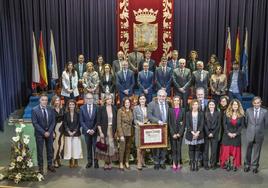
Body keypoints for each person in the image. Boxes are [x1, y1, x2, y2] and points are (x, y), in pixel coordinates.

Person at [31, 94, 56, 174]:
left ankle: (49, 165)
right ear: (39, 100)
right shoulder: (34, 110)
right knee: (40, 151)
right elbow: (35, 123)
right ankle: (40, 167)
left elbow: (53, 121)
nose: (44, 102)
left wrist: (49, 131)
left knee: (50, 150)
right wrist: (44, 132)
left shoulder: (50, 109)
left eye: (46, 100)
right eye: (43, 100)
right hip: (39, 134)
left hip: (49, 133)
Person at [244, 96, 268, 173]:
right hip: (250, 134)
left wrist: (260, 130)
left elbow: (266, 123)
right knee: (248, 150)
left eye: (258, 103)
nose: (256, 104)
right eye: (255, 103)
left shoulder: (265, 112)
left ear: (261, 103)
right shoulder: (248, 110)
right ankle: (247, 165)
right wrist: (250, 129)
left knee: (257, 151)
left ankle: (255, 166)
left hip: (259, 134)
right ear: (252, 103)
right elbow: (246, 122)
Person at [220, 99, 244, 171]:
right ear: (231, 105)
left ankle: (234, 164)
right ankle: (228, 163)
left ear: (238, 106)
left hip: (236, 136)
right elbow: (224, 124)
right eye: (234, 104)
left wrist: (236, 134)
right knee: (227, 151)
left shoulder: (241, 115)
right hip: (227, 136)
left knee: (234, 151)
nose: (235, 106)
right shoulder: (226, 113)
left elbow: (241, 126)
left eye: (237, 104)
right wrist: (228, 133)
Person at [96, 94, 118, 170]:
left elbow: (116, 121)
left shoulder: (115, 108)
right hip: (104, 130)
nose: (109, 100)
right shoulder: (101, 108)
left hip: (112, 130)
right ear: (105, 100)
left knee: (111, 147)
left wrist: (116, 132)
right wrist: (100, 132)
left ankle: (110, 162)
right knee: (105, 147)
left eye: (110, 99)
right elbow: (98, 122)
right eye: (108, 99)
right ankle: (106, 162)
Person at [148, 89, 169, 170]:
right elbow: (149, 116)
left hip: (165, 128)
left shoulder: (167, 104)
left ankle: (162, 162)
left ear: (165, 97)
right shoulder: (151, 104)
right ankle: (156, 162)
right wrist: (157, 121)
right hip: (156, 128)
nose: (161, 97)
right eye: (160, 96)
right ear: (157, 96)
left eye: (163, 96)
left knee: (164, 146)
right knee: (155, 146)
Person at [80, 93, 99, 168]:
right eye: (88, 98)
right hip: (86, 131)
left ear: (93, 99)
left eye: (91, 98)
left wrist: (94, 129)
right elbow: (81, 121)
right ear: (85, 99)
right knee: (88, 147)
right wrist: (88, 130)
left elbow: (98, 120)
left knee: (95, 147)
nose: (89, 100)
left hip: (95, 131)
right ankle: (89, 162)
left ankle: (96, 162)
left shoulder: (97, 107)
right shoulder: (82, 108)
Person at [185, 99, 204, 171]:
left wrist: (197, 133)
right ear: (191, 105)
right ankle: (192, 163)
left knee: (197, 149)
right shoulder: (188, 113)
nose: (195, 106)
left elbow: (202, 124)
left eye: (196, 104)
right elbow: (187, 124)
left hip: (199, 134)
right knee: (191, 149)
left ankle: (196, 163)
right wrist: (193, 133)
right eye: (194, 104)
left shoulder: (201, 113)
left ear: (198, 105)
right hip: (190, 134)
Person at [63, 99, 83, 168]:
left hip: (76, 133)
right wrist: (68, 131)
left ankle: (76, 161)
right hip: (68, 133)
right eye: (70, 104)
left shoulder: (78, 113)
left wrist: (74, 131)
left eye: (73, 104)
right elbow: (65, 123)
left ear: (75, 105)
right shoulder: (65, 113)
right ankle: (70, 161)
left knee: (76, 147)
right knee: (69, 148)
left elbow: (79, 123)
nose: (71, 106)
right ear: (68, 105)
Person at [168, 95, 185, 171]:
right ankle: (174, 163)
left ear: (180, 101)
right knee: (173, 149)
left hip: (179, 133)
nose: (176, 102)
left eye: (178, 100)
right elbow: (169, 123)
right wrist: (172, 133)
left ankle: (178, 162)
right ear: (173, 101)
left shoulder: (183, 110)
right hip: (173, 133)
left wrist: (179, 133)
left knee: (179, 148)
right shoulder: (170, 110)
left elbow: (184, 123)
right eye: (175, 100)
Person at [133, 94, 150, 170]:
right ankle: (139, 162)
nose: (142, 100)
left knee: (144, 147)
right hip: (138, 129)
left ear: (145, 100)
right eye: (141, 99)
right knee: (139, 147)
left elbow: (149, 117)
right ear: (139, 100)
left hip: (146, 130)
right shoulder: (136, 108)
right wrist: (138, 122)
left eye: (143, 99)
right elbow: (134, 119)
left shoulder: (148, 107)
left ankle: (143, 161)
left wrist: (149, 121)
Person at [203, 100, 221, 170]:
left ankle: (213, 164)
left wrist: (213, 133)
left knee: (214, 150)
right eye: (210, 105)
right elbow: (204, 124)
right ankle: (206, 164)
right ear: (208, 105)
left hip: (215, 134)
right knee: (206, 150)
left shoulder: (218, 113)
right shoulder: (205, 113)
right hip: (206, 134)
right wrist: (208, 133)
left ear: (215, 105)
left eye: (212, 105)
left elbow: (218, 125)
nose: (211, 106)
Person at [117, 97, 133, 170]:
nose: (127, 104)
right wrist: (121, 135)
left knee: (128, 148)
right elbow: (118, 124)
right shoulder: (120, 111)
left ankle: (126, 161)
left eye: (128, 103)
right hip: (123, 132)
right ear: (123, 103)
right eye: (126, 103)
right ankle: (121, 162)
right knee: (122, 148)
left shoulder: (131, 110)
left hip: (130, 132)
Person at [51, 95, 64, 168]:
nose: (57, 102)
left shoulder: (62, 109)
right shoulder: (51, 110)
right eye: (56, 100)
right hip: (55, 129)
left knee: (61, 145)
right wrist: (52, 132)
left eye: (58, 100)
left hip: (62, 129)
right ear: (53, 101)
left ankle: (58, 159)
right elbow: (50, 122)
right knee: (56, 145)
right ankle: (55, 160)